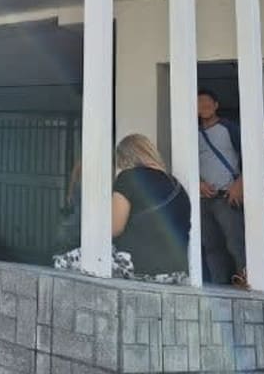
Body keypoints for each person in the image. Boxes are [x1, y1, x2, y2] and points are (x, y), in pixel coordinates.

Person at [53, 136, 190, 284]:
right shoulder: (177, 186)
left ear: (125, 159)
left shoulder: (128, 177)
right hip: (177, 272)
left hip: (140, 266)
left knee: (62, 263)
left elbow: (114, 228)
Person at [197, 88, 247, 284]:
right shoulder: (192, 134)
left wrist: (240, 183)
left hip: (228, 197)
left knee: (236, 244)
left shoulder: (230, 128)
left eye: (207, 102)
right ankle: (220, 287)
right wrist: (198, 184)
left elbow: (252, 155)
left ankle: (246, 285)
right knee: (211, 246)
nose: (203, 106)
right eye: (199, 103)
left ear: (216, 105)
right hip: (203, 199)